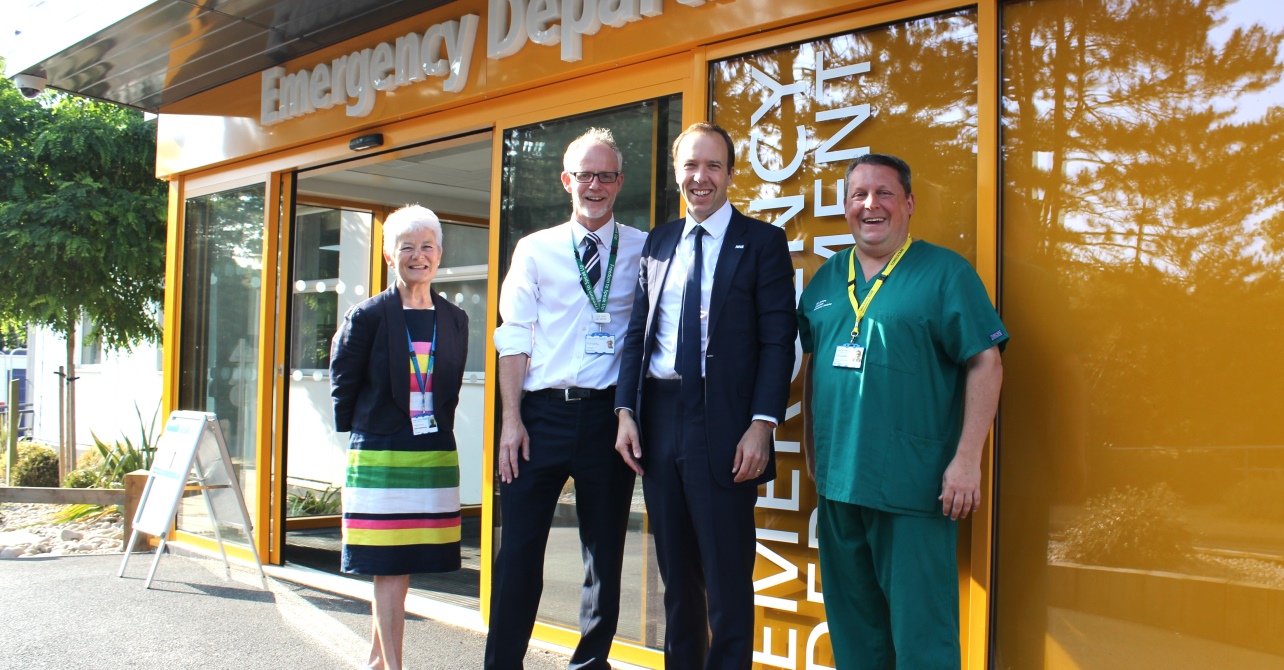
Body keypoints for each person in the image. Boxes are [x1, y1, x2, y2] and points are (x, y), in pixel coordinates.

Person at [798, 154, 1007, 669]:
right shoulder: (826, 281)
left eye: (884, 193)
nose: (871, 204)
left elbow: (987, 362)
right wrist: (811, 453)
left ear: (909, 204)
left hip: (912, 488)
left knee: (922, 639)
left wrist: (967, 460)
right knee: (855, 635)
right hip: (839, 488)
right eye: (858, 195)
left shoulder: (944, 273)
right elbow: (813, 373)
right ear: (846, 208)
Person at [614, 122, 796, 669]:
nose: (701, 177)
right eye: (691, 165)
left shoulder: (763, 242)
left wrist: (762, 424)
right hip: (659, 417)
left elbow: (777, 340)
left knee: (726, 579)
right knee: (675, 578)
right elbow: (635, 334)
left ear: (731, 174)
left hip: (726, 422)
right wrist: (625, 410)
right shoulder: (658, 241)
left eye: (713, 165)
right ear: (677, 173)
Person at [486, 127, 646, 669]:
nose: (594, 185)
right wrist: (512, 421)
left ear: (619, 183)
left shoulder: (646, 250)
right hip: (539, 416)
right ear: (566, 180)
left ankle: (589, 664)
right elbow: (513, 334)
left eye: (605, 176)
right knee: (520, 553)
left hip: (608, 418)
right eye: (584, 175)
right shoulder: (535, 249)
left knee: (604, 554)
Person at [330, 205, 468, 670]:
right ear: (390, 256)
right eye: (406, 246)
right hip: (382, 452)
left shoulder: (455, 318)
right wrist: (363, 438)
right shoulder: (367, 316)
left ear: (439, 254)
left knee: (402, 566)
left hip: (431, 452)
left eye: (427, 245)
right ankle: (394, 665)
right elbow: (343, 381)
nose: (418, 255)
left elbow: (448, 383)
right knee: (387, 567)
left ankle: (376, 661)